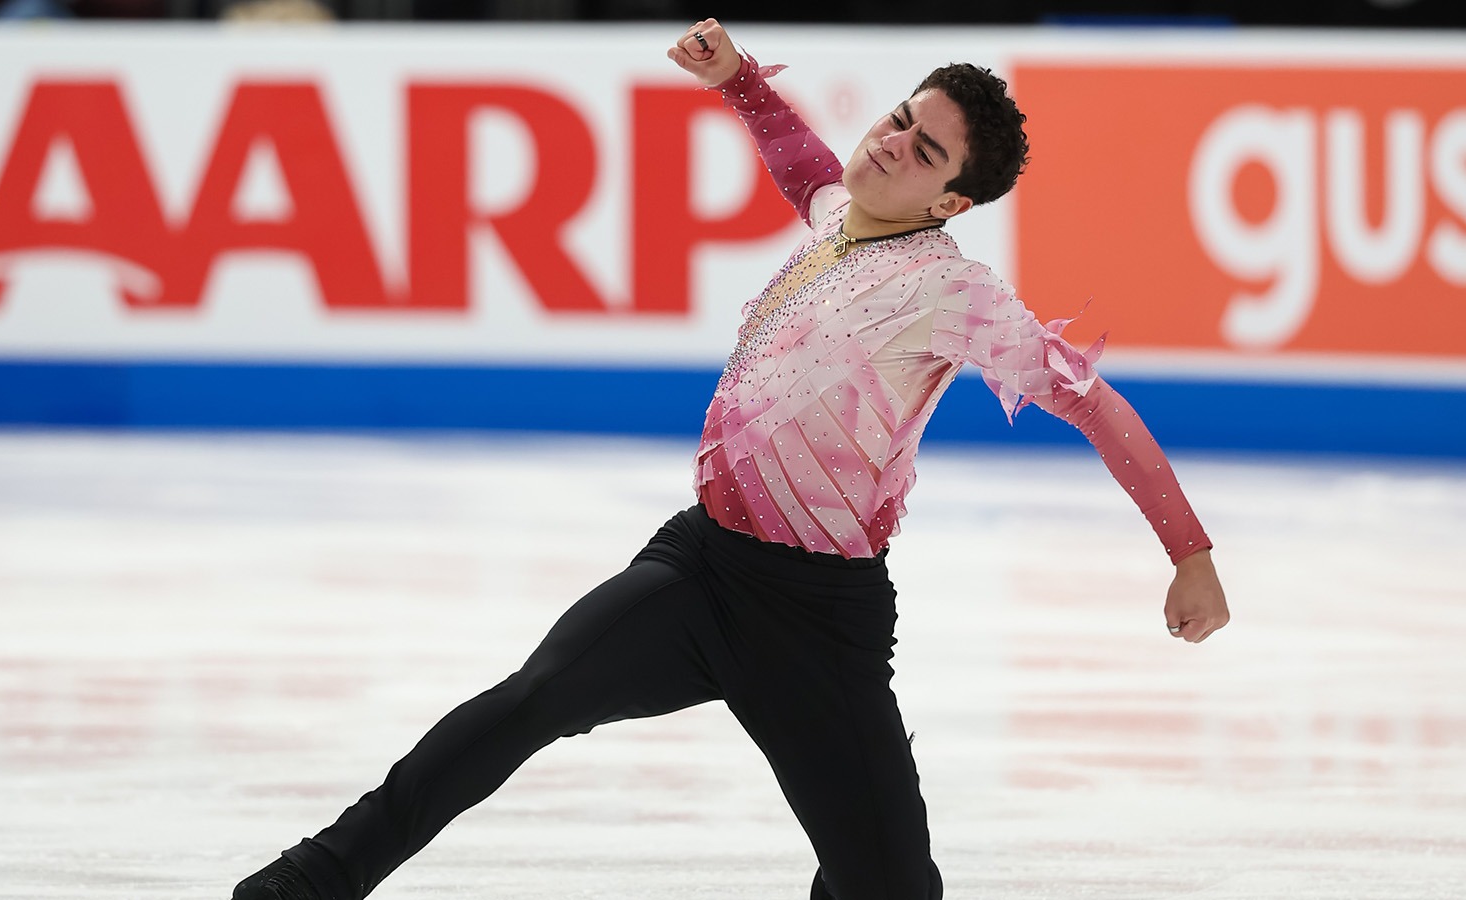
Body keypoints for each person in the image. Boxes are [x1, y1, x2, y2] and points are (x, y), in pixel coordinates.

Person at [231, 18, 1230, 900]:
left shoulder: (952, 293)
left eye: (924, 152)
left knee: (889, 886)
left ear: (950, 203)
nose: (890, 147)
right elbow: (804, 166)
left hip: (818, 623)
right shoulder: (841, 217)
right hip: (702, 570)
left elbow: (1092, 404)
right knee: (530, 702)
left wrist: (1187, 552)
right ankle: (314, 879)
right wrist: (737, 79)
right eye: (896, 120)